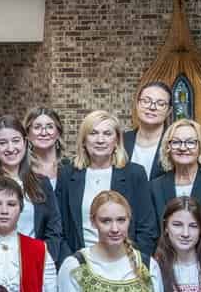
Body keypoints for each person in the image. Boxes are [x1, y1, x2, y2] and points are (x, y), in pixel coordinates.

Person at [55, 110, 158, 258]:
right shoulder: (67, 175)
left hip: (125, 261)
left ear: (116, 141)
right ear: (84, 140)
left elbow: (147, 229)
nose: (100, 140)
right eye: (93, 133)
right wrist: (73, 263)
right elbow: (59, 229)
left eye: (107, 134)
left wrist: (133, 262)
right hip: (81, 261)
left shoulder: (135, 174)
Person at [0, 115, 58, 252]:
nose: (10, 148)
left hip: (36, 259)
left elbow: (54, 231)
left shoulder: (42, 183)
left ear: (25, 143)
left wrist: (44, 257)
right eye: (2, 143)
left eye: (16, 141)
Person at [148, 118, 201, 246]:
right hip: (165, 256)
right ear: (168, 147)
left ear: (200, 147)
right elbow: (151, 233)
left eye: (190, 142)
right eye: (176, 142)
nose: (183, 147)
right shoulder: (154, 187)